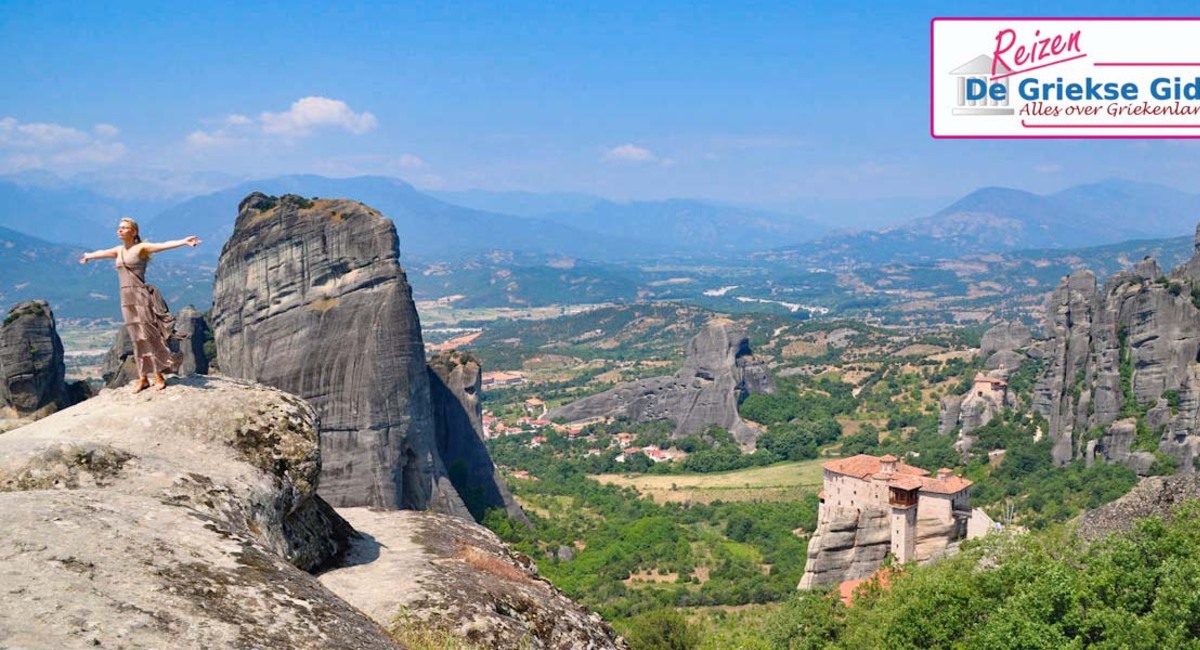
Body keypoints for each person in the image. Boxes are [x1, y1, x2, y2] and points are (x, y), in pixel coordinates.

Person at [80, 218, 201, 392]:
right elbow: (102, 252)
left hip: (140, 296)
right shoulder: (118, 250)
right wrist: (88, 256)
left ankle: (158, 375)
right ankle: (143, 378)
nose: (120, 230)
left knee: (149, 335)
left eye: (124, 228)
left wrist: (184, 242)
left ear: (134, 232)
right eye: (119, 228)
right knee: (136, 338)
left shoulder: (141, 248)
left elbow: (163, 245)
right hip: (126, 299)